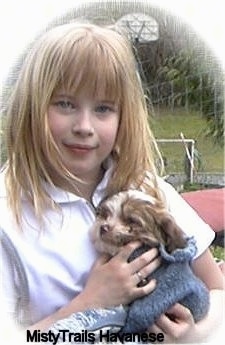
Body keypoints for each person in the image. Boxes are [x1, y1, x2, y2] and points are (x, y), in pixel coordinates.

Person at [0, 22, 224, 343]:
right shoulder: (8, 217)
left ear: (124, 117)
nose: (84, 126)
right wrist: (88, 303)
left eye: (103, 108)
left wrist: (194, 333)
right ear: (32, 108)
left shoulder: (147, 188)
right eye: (65, 103)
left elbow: (217, 289)